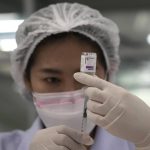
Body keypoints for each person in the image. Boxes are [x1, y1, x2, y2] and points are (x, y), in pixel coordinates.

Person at [0, 2, 150, 150]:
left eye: (85, 77)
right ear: (27, 81)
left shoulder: (137, 143)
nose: (70, 93)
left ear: (107, 75)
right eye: (52, 79)